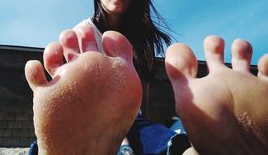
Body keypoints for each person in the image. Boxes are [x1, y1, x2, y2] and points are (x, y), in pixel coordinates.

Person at [25, 26, 268, 154]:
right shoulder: (87, 31)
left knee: (161, 134)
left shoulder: (141, 37)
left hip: (131, 116)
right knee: (163, 137)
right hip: (104, 116)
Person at [73, 0, 190, 154]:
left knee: (173, 143)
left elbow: (139, 93)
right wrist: (123, 140)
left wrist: (139, 124)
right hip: (90, 115)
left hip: (131, 119)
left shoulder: (138, 41)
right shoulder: (84, 34)